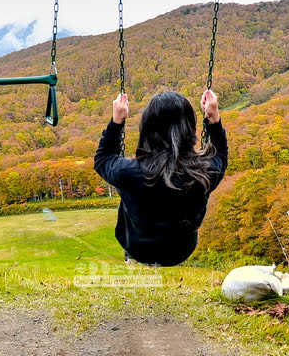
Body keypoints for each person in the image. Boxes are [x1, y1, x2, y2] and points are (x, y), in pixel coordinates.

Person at [93, 90, 228, 267]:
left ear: (147, 128)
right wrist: (213, 118)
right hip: (180, 251)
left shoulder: (129, 172)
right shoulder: (204, 172)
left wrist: (117, 121)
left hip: (137, 248)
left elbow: (103, 159)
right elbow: (221, 155)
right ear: (189, 128)